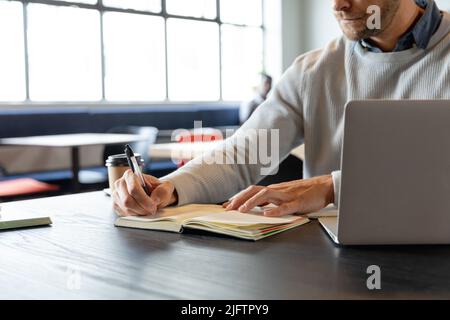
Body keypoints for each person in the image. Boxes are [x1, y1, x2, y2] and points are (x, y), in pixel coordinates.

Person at [113, 0, 450, 218]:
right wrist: (171, 188)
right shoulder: (313, 70)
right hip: (328, 260)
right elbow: (245, 153)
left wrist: (332, 187)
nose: (339, 5)